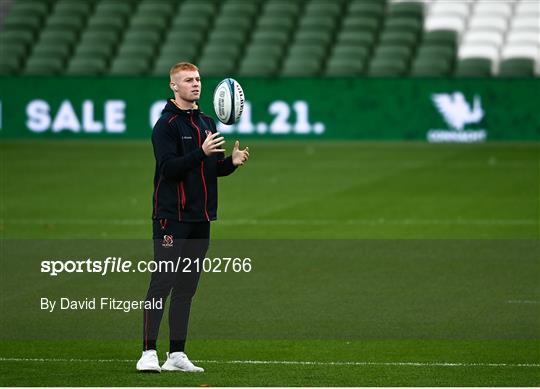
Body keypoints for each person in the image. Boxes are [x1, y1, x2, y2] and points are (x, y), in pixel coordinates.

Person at [136, 62, 250, 373]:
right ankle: (148, 352)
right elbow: (168, 168)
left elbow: (208, 169)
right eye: (188, 80)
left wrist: (230, 163)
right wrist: (200, 152)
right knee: (162, 281)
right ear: (174, 86)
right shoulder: (166, 125)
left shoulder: (206, 122)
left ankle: (176, 355)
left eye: (197, 79)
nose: (195, 84)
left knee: (187, 286)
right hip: (171, 217)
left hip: (201, 217)